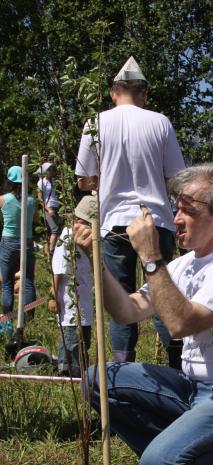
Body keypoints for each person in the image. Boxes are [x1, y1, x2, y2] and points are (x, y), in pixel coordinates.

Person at [75, 162, 213, 465]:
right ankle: (178, 456)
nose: (175, 220)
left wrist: (151, 257)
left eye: (186, 211)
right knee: (98, 380)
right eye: (175, 209)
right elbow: (127, 311)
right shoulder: (182, 265)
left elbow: (181, 324)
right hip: (191, 388)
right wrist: (95, 258)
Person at [75, 56, 185, 364]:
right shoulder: (160, 122)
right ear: (144, 93)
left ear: (114, 92)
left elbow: (84, 179)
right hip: (156, 220)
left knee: (120, 299)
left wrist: (105, 178)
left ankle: (123, 370)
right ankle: (177, 367)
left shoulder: (95, 123)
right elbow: (176, 177)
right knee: (162, 293)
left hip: (113, 224)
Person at [49, 196, 95, 378]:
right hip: (70, 305)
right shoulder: (67, 237)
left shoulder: (87, 240)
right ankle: (69, 375)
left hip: (83, 304)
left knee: (84, 341)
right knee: (72, 342)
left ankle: (79, 373)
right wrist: (53, 296)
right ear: (79, 220)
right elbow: (58, 270)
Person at [0, 166, 36, 324]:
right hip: (27, 241)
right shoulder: (31, 200)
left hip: (8, 241)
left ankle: (7, 319)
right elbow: (34, 220)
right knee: (28, 281)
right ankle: (29, 319)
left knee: (7, 283)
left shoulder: (3, 199)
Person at [36, 162, 62, 256]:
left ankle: (48, 252)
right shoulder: (42, 182)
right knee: (55, 230)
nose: (52, 171)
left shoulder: (53, 181)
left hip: (55, 207)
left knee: (51, 231)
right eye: (49, 169)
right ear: (45, 171)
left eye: (52, 169)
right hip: (49, 208)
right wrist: (48, 209)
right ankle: (51, 252)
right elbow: (40, 198)